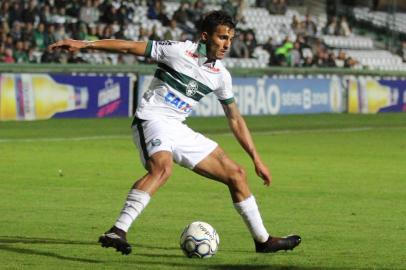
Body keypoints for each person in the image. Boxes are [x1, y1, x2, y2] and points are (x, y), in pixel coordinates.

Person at [48, 10, 301, 255]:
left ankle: (263, 241)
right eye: (222, 37)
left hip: (177, 127)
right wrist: (85, 44)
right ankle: (117, 230)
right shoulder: (178, 51)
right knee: (162, 168)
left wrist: (256, 158)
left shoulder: (221, 76)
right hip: (152, 119)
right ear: (205, 36)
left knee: (237, 174)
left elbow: (235, 119)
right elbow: (129, 46)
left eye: (230, 39)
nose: (227, 44)